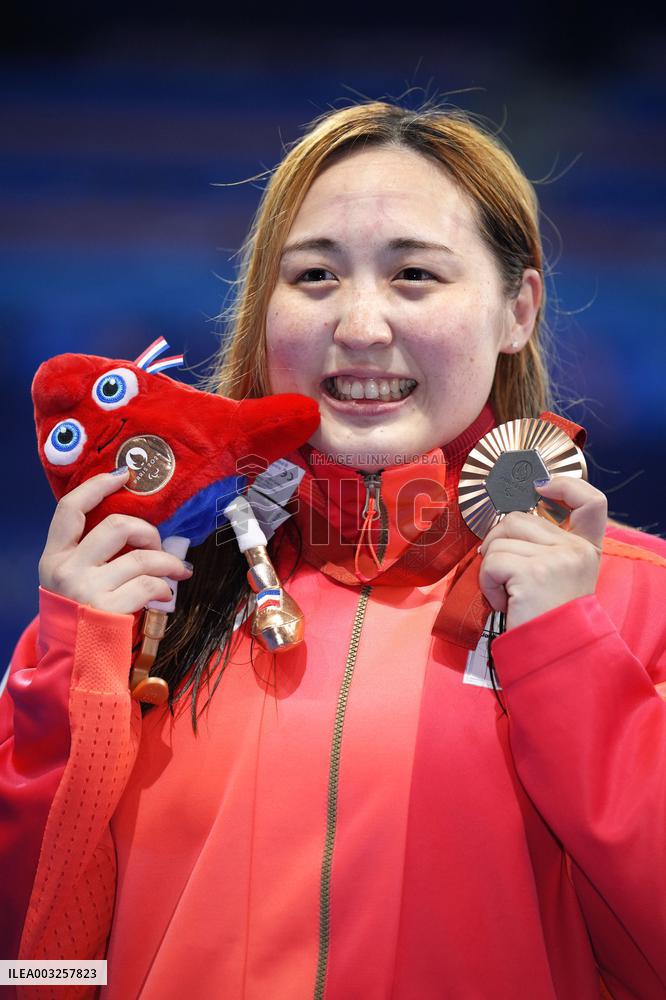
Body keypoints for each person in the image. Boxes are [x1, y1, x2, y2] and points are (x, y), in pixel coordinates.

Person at [2, 98, 666, 1000]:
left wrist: (569, 657)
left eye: (415, 277)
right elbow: (38, 963)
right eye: (315, 275)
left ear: (518, 309)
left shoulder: (633, 605)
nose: (359, 325)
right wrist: (66, 677)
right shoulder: (147, 594)